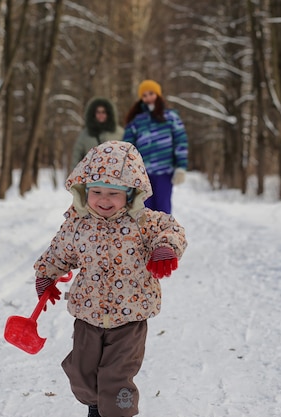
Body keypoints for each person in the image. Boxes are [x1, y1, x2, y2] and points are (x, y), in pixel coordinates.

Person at [33, 141, 187, 417]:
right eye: (97, 192)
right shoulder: (78, 224)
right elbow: (59, 252)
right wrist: (46, 275)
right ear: (85, 190)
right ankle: (95, 403)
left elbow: (171, 228)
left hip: (131, 316)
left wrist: (165, 246)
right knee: (81, 373)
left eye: (114, 193)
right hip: (87, 314)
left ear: (129, 194)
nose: (104, 199)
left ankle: (114, 411)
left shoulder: (142, 221)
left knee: (116, 378)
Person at [122, 80, 189, 214]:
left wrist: (181, 167)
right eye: (144, 95)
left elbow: (180, 141)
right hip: (142, 175)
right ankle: (147, 235)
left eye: (151, 93)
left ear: (158, 94)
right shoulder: (137, 121)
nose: (148, 98)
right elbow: (127, 147)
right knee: (145, 211)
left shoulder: (170, 117)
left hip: (164, 172)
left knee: (163, 209)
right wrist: (128, 169)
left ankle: (164, 234)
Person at [71, 97, 124, 168]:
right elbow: (77, 156)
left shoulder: (120, 133)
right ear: (93, 114)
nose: (101, 115)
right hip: (92, 174)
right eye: (98, 112)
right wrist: (74, 175)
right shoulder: (85, 135)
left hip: (114, 173)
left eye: (103, 112)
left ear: (109, 114)